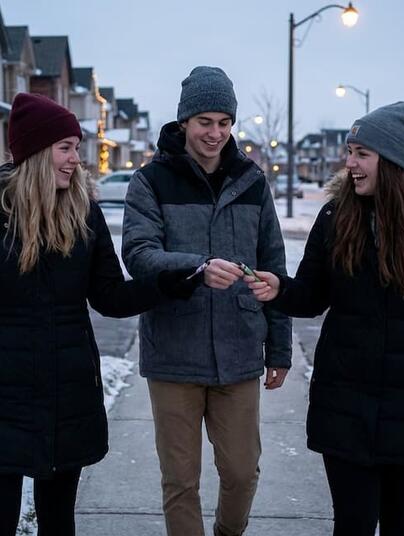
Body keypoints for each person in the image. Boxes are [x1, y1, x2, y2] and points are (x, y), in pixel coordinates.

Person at [0, 92, 194, 536]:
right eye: (65, 148)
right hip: (5, 394)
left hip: (67, 392)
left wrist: (167, 284)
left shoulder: (83, 212)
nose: (76, 160)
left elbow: (109, 296)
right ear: (34, 151)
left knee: (58, 520)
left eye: (77, 147)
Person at [122, 66, 292, 536]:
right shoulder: (150, 181)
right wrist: (197, 267)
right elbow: (139, 254)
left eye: (224, 122)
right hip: (174, 354)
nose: (215, 133)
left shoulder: (252, 182)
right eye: (205, 122)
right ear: (184, 122)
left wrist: (279, 350)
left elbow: (273, 268)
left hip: (239, 354)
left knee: (241, 473)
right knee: (181, 481)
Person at [245, 102, 404, 535]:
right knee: (352, 524)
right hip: (347, 403)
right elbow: (312, 295)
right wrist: (279, 289)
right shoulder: (338, 216)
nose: (349, 162)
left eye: (361, 153)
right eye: (350, 150)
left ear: (393, 160)